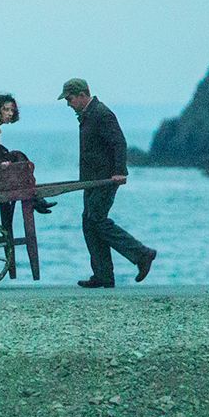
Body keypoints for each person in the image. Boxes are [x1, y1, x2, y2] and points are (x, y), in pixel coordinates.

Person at [58, 78, 156, 288]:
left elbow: (119, 142)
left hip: (105, 179)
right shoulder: (86, 115)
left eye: (70, 99)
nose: (68, 103)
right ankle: (103, 275)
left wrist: (119, 171)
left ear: (83, 95)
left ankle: (142, 254)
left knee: (97, 219)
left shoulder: (102, 114)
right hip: (91, 180)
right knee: (89, 223)